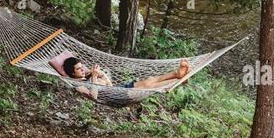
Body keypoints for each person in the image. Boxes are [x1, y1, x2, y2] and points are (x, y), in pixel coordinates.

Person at [62, 56, 191, 101]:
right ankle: (179, 80)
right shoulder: (79, 86)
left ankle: (177, 74)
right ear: (72, 74)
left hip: (119, 89)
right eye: (79, 69)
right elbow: (94, 96)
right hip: (118, 98)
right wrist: (95, 77)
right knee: (148, 87)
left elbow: (110, 84)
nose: (83, 70)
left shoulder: (88, 75)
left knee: (149, 80)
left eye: (82, 67)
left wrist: (101, 74)